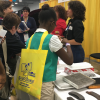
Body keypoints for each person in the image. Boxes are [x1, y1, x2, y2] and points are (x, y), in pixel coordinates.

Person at [25, 4, 73, 100]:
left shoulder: (30, 39)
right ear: (52, 22)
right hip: (44, 84)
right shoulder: (52, 39)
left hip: (30, 82)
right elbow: (69, 61)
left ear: (39, 21)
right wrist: (67, 44)